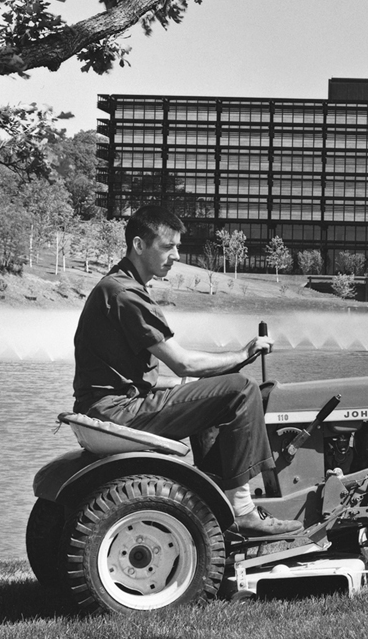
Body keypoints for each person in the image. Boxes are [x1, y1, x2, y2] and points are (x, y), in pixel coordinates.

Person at [72, 205, 301, 536]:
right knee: (241, 389)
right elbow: (182, 362)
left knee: (207, 391)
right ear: (139, 245)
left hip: (108, 405)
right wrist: (242, 354)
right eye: (167, 247)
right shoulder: (125, 293)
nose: (176, 255)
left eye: (177, 247)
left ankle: (212, 499)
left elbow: (135, 375)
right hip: (116, 411)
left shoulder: (117, 285)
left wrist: (189, 383)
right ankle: (242, 509)